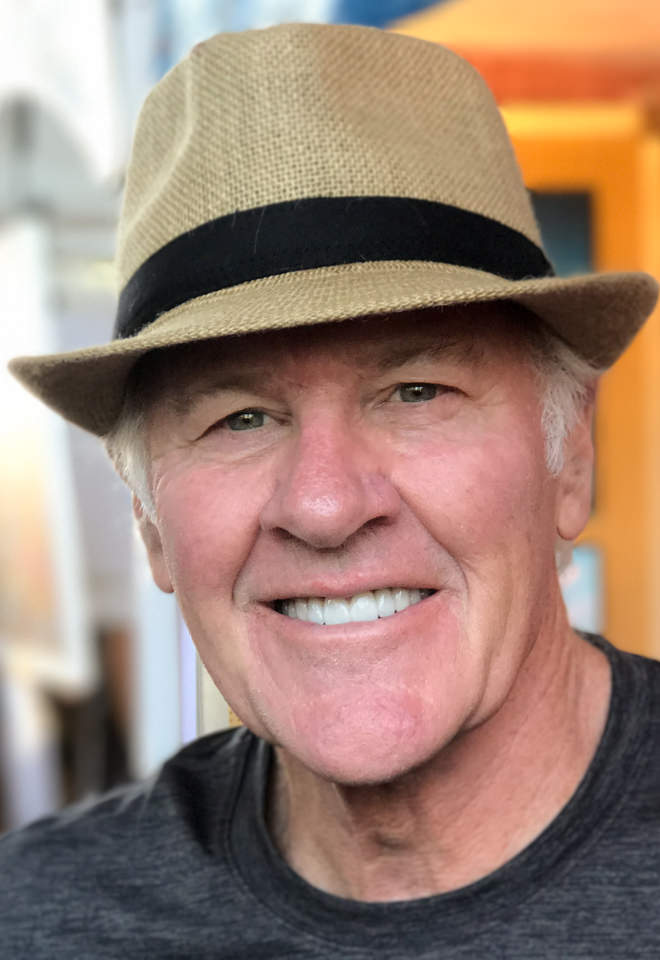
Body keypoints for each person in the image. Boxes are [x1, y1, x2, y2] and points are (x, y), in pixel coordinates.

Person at [2, 21, 659, 959]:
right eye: (240, 418)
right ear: (148, 520)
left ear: (572, 456)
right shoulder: (34, 923)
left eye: (417, 392)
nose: (324, 506)